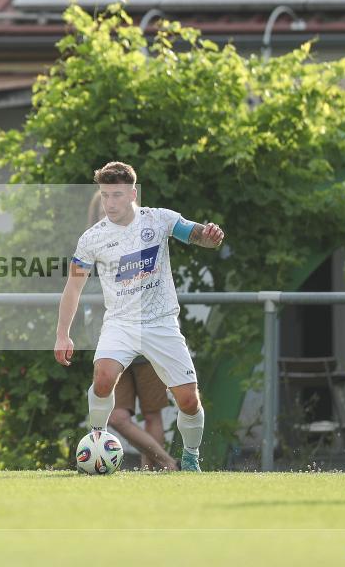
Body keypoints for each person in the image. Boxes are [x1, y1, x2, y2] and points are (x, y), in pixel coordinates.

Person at [56, 162, 224, 471]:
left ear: (133, 194)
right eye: (105, 195)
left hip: (161, 323)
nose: (110, 203)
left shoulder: (159, 219)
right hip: (120, 323)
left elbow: (198, 234)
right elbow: (73, 287)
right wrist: (62, 334)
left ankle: (190, 457)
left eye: (117, 195)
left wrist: (210, 236)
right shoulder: (92, 238)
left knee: (189, 401)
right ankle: (97, 438)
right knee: (103, 378)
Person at [85, 190, 177, 471]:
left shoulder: (142, 243)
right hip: (112, 346)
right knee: (117, 417)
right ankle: (168, 463)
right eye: (103, 210)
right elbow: (82, 291)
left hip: (148, 342)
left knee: (152, 415)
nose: (110, 212)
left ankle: (152, 473)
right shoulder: (89, 248)